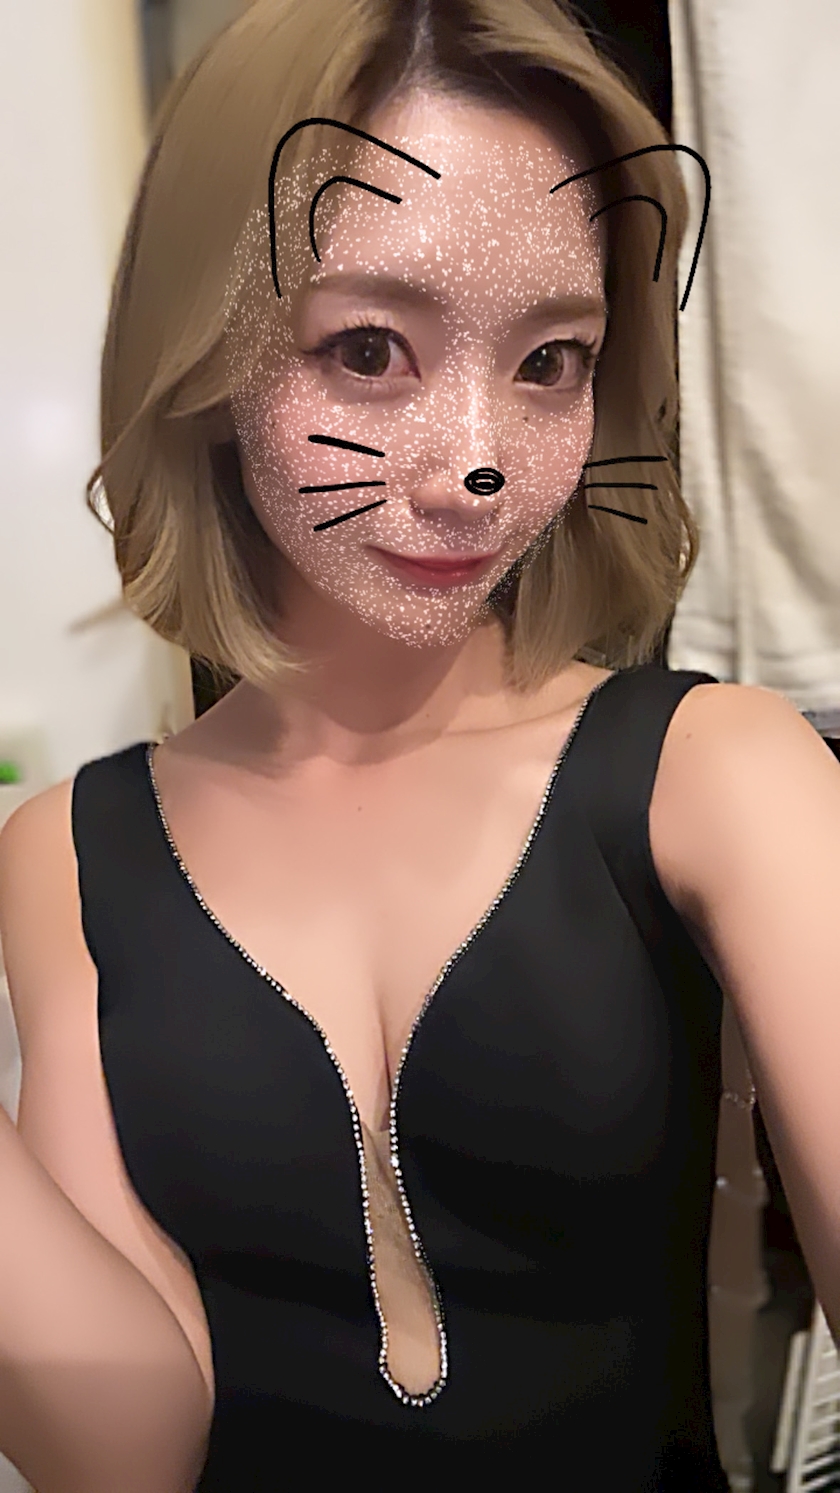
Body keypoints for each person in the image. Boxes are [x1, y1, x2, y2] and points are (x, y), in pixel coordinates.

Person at [0, 2, 838, 1489]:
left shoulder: (720, 772)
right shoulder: (66, 851)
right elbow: (121, 1451)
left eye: (552, 360)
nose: (478, 461)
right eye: (370, 347)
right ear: (205, 346)